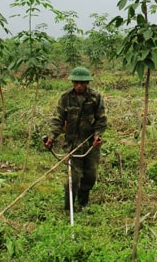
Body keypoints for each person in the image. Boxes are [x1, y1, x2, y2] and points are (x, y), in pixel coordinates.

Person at [44, 66, 107, 211]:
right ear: (72, 82)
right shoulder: (65, 98)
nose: (79, 86)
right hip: (72, 144)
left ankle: (83, 203)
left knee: (90, 176)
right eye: (76, 82)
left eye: (82, 83)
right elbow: (58, 119)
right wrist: (52, 137)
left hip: (91, 144)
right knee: (73, 178)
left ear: (87, 83)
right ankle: (69, 208)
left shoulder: (95, 97)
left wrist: (98, 135)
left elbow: (101, 119)